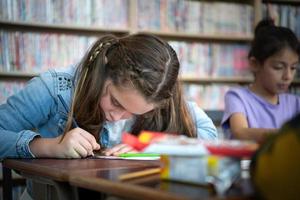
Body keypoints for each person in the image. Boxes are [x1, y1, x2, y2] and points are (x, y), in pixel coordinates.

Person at [0, 33, 217, 159]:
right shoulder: (54, 88)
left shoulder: (160, 95)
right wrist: (49, 146)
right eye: (115, 101)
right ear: (104, 71)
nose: (117, 117)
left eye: (134, 113)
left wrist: (155, 146)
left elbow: (210, 136)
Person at [221, 18, 300, 143]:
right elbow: (240, 132)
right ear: (254, 64)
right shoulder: (237, 97)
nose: (288, 76)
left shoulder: (296, 103)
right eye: (278, 67)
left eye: (293, 68)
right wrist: (287, 136)